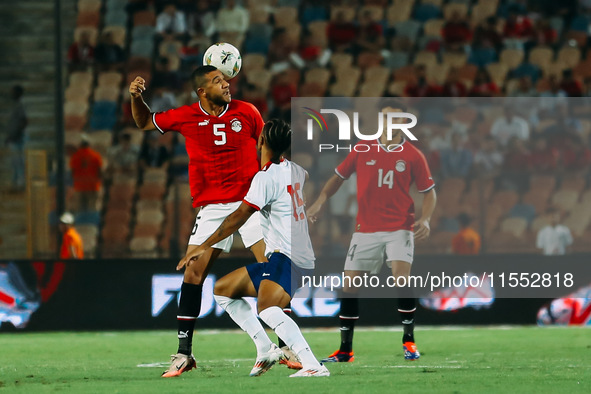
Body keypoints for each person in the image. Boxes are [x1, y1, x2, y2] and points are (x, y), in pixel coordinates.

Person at [129, 65, 267, 378]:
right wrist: (136, 98)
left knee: (270, 267)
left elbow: (268, 147)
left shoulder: (247, 112)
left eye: (226, 79)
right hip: (212, 206)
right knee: (193, 273)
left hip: (250, 202)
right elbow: (143, 122)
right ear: (202, 91)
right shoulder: (186, 115)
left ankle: (285, 346)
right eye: (218, 81)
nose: (226, 84)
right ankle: (184, 354)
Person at [179, 119, 330, 378]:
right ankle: (265, 348)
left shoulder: (265, 177)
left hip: (288, 255)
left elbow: (239, 216)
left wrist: (202, 246)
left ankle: (313, 365)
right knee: (223, 291)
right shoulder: (296, 170)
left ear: (261, 143)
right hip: (292, 254)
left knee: (268, 309)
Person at [307, 99, 437, 363]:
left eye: (398, 118)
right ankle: (345, 350)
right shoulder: (362, 149)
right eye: (388, 118)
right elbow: (338, 178)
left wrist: (425, 219)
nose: (393, 123)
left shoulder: (413, 155)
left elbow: (429, 192)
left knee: (402, 280)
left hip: (400, 227)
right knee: (349, 285)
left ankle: (409, 341)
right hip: (365, 229)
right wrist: (320, 200)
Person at [69, 136, 103, 212]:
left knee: (80, 209)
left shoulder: (75, 156)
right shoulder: (95, 155)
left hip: (79, 186)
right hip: (92, 185)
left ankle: (82, 222)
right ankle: (91, 223)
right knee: (92, 208)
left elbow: (72, 172)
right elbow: (100, 171)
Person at [5, 85, 27, 191]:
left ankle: (21, 182)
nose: (11, 94)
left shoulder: (20, 105)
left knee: (18, 161)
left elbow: (24, 121)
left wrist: (16, 134)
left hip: (17, 138)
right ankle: (16, 181)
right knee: (14, 161)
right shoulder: (15, 105)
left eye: (13, 92)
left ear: (18, 93)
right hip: (13, 137)